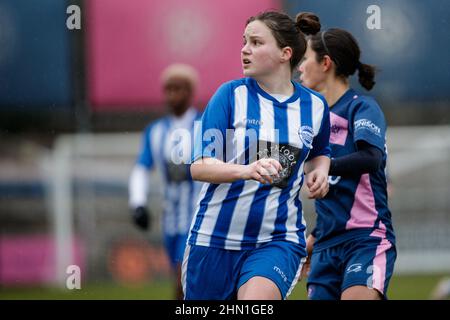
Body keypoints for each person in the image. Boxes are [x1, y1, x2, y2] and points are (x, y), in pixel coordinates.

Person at [182, 11, 331, 300]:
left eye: (256, 42)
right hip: (212, 240)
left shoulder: (314, 106)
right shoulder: (229, 95)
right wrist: (247, 170)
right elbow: (199, 166)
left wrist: (320, 171)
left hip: (277, 240)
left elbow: (321, 151)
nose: (244, 49)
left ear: (284, 54)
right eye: (244, 41)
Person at [296, 13, 397, 300]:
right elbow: (336, 191)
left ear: (325, 63)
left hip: (365, 239)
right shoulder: (314, 119)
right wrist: (314, 236)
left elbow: (371, 157)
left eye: (306, 59)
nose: (300, 68)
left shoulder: (361, 108)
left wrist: (325, 165)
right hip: (327, 244)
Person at [128, 63, 202, 300]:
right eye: (168, 89)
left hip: (198, 218)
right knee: (179, 279)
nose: (172, 95)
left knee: (184, 279)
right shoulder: (155, 132)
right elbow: (141, 168)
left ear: (191, 92)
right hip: (170, 219)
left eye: (178, 89)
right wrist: (138, 203)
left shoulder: (205, 125)